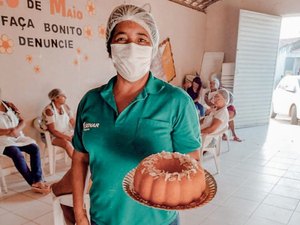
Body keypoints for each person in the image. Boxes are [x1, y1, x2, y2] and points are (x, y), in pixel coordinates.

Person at [71, 4, 201, 225]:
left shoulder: (176, 101)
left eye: (142, 39)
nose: (131, 47)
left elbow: (192, 160)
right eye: (121, 39)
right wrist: (79, 212)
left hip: (157, 221)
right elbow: (80, 158)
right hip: (103, 217)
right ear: (110, 47)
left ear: (152, 48)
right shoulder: (91, 101)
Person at [0, 89, 50, 194]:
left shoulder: (9, 105)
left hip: (18, 136)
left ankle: (37, 179)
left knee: (34, 148)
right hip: (3, 140)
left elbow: (22, 121)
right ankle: (34, 182)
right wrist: (8, 131)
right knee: (16, 154)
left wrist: (16, 130)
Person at [41, 89, 75, 158]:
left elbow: (73, 122)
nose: (65, 97)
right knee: (66, 144)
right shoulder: (49, 110)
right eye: (62, 96)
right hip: (51, 136)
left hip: (66, 132)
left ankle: (89, 160)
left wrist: (79, 132)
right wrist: (68, 138)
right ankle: (78, 163)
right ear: (56, 98)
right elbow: (52, 131)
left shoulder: (66, 107)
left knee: (82, 139)